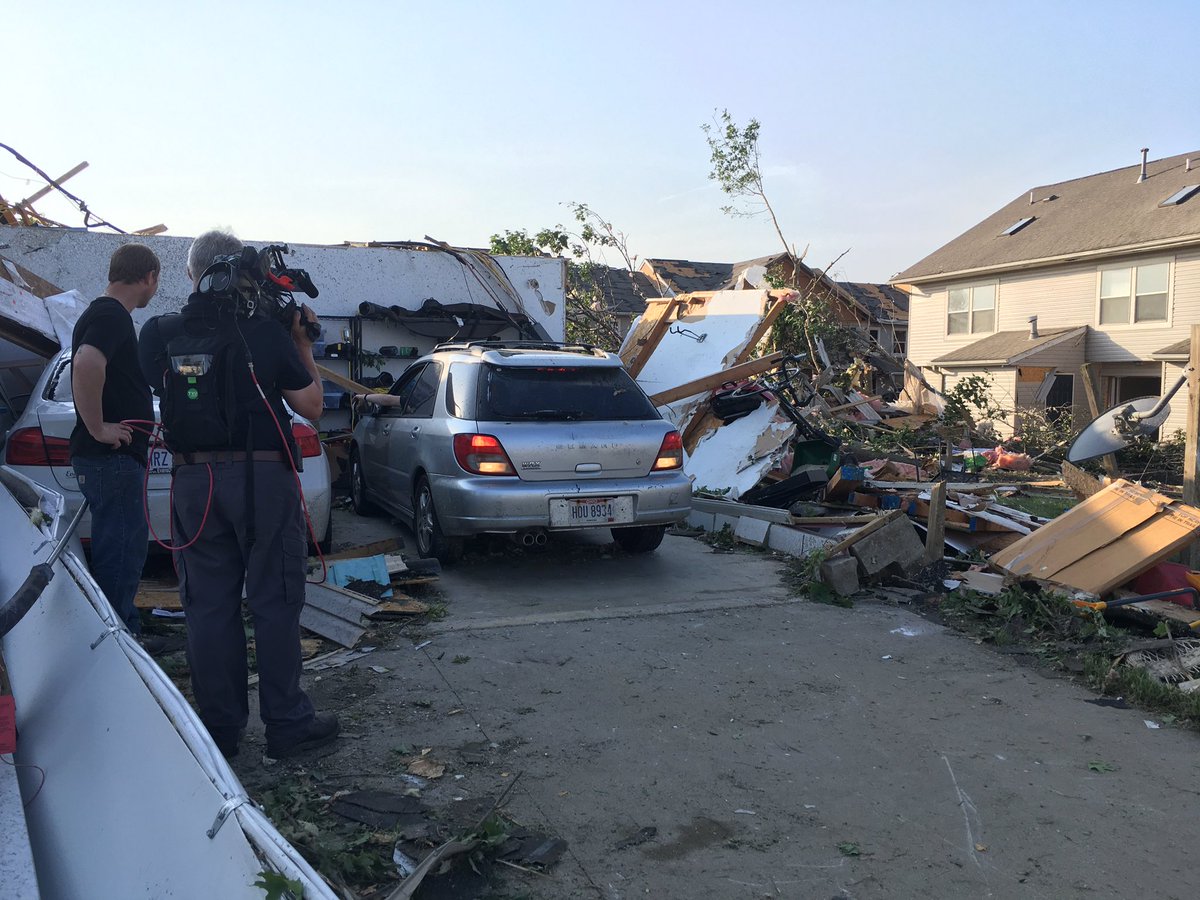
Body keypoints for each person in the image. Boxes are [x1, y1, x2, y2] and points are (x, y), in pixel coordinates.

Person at [138, 229, 338, 760]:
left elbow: (167, 388)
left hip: (192, 484)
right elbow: (312, 406)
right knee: (274, 601)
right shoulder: (263, 335)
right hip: (261, 482)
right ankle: (287, 726)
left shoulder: (158, 332)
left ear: (190, 274)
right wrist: (299, 342)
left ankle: (221, 733)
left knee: (207, 607)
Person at [70, 242, 161, 636]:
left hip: (113, 460)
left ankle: (125, 629)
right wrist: (98, 427)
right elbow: (87, 362)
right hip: (111, 458)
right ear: (148, 277)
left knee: (123, 546)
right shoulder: (112, 316)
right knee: (121, 550)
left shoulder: (103, 313)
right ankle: (118, 643)